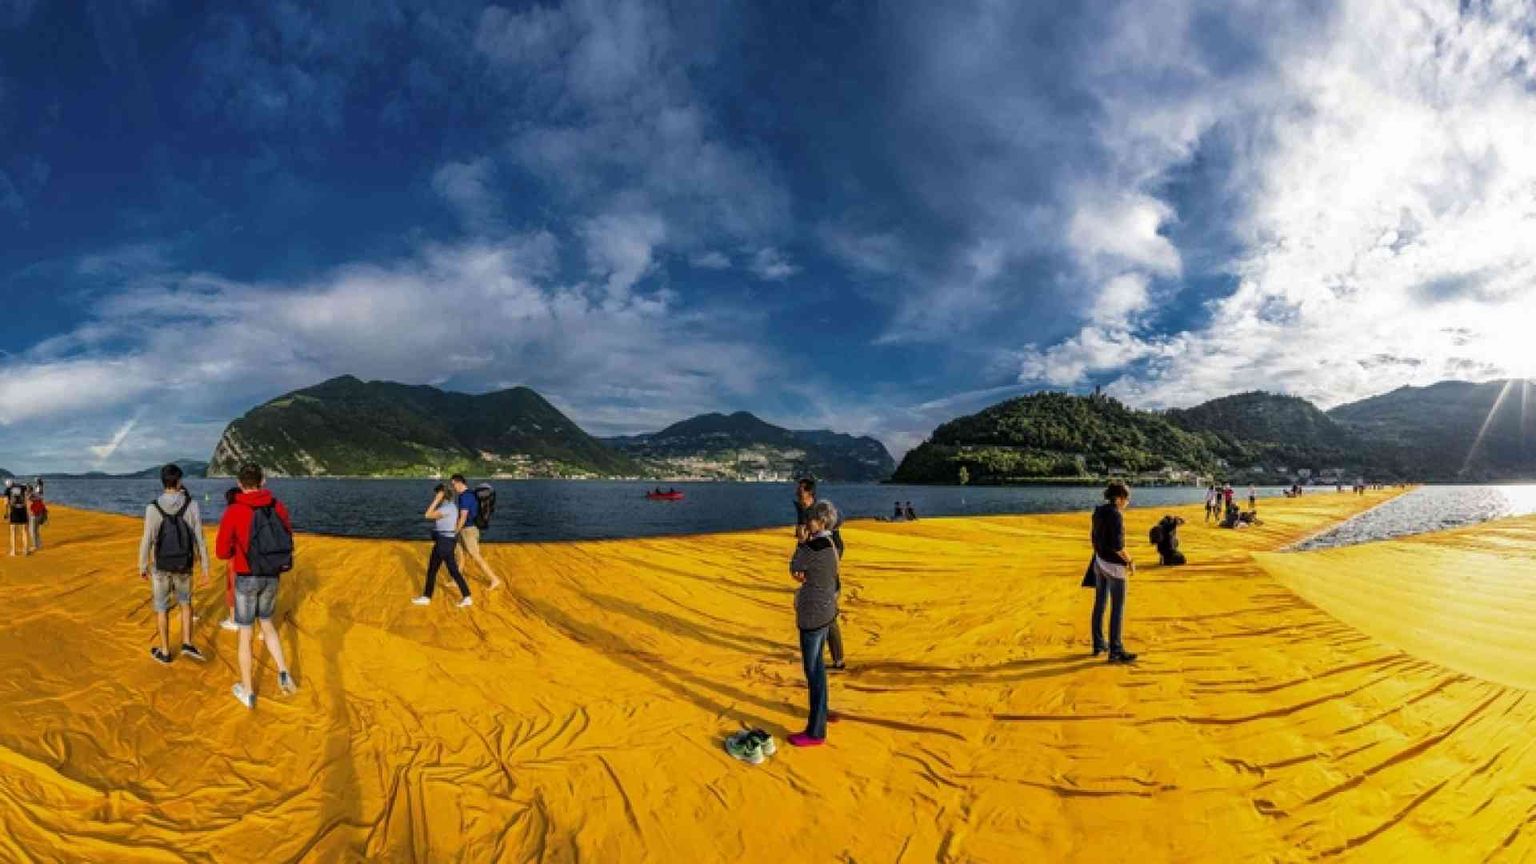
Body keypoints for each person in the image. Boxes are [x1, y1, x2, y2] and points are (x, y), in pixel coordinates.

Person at [217, 463, 298, 709]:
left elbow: (222, 551)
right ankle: (283, 671)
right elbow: (287, 536)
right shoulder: (278, 506)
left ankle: (248, 691)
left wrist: (237, 550)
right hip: (272, 575)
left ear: (240, 483)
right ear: (263, 481)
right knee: (268, 625)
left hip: (246, 576)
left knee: (245, 634)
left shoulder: (234, 510)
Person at [138, 464, 213, 664]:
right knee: (185, 603)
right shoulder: (192, 505)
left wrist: (142, 565)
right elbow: (200, 538)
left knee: (162, 608)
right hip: (184, 565)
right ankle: (187, 642)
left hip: (161, 566)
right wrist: (205, 567)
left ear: (163, 482)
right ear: (179, 482)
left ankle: (164, 651)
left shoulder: (152, 508)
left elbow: (147, 539)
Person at [788, 499, 841, 748]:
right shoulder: (832, 542)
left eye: (811, 518)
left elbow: (795, 567)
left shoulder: (813, 546)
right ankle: (823, 711)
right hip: (827, 610)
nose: (807, 522)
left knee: (813, 670)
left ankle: (816, 731)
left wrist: (800, 543)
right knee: (818, 666)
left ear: (820, 521)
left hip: (812, 613)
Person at [795, 478, 845, 671]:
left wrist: (826, 566)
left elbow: (835, 544)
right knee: (822, 615)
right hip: (814, 574)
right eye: (797, 494)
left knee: (828, 618)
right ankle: (829, 658)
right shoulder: (805, 513)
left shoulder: (820, 514)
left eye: (801, 493)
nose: (798, 497)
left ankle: (835, 660)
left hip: (824, 577)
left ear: (810, 494)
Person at [1090, 482, 1137, 664]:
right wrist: (1130, 561)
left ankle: (1099, 644)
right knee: (1117, 607)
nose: (1127, 502)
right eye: (1126, 499)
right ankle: (1116, 650)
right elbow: (1118, 546)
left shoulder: (1098, 511)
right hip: (1114, 566)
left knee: (1100, 604)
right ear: (1118, 499)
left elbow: (1093, 537)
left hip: (1099, 562)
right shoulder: (1116, 515)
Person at [412, 483, 472, 607]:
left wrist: (436, 500)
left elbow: (427, 515)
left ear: (442, 495)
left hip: (443, 542)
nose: (435, 495)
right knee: (450, 570)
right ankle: (466, 596)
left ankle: (427, 597)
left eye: (437, 493)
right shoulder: (451, 506)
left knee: (435, 570)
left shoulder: (446, 508)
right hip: (446, 541)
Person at [449, 475, 502, 591]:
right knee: (460, 556)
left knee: (476, 556)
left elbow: (463, 517)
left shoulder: (465, 497)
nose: (453, 488)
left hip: (468, 531)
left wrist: (454, 532)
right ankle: (456, 580)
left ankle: (494, 579)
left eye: (453, 485)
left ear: (459, 483)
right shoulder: (469, 494)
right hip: (465, 529)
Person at [219, 487, 241, 631]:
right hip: (256, 558)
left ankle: (233, 620)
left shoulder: (231, 514)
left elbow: (224, 543)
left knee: (232, 589)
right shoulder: (253, 511)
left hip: (236, 558)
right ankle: (264, 628)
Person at [6, 479, 31, 556]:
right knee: (24, 530)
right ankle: (25, 550)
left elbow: (6, 502)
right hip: (23, 510)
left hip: (14, 511)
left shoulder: (8, 490)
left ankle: (13, 551)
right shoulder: (22, 487)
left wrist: (6, 513)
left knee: (13, 530)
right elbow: (28, 494)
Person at [27, 478, 47, 551]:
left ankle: (35, 546)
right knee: (36, 530)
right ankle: (39, 544)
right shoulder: (38, 495)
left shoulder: (32, 496)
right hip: (39, 513)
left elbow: (29, 501)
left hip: (35, 514)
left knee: (32, 530)